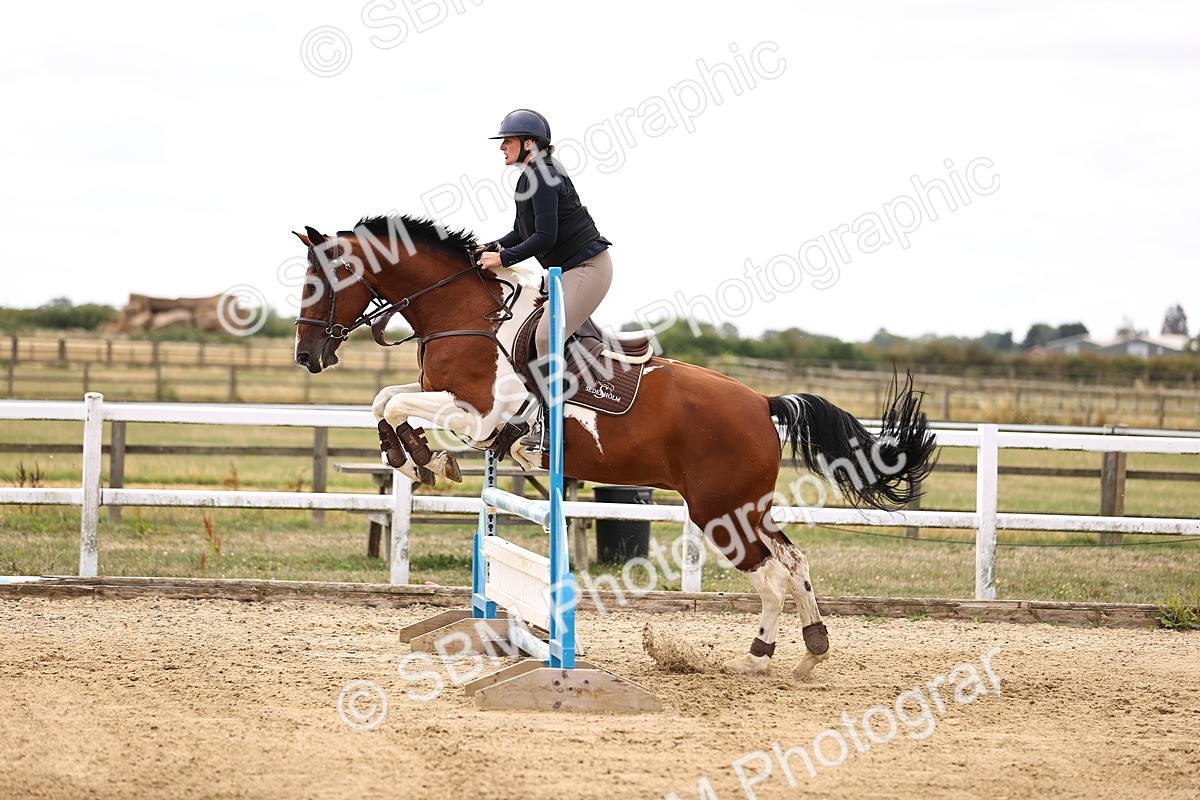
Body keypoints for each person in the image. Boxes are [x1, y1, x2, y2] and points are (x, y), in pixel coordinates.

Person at [477, 109, 612, 450]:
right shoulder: (530, 177)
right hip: (570, 271)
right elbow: (520, 232)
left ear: (528, 143)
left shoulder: (545, 175)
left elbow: (544, 237)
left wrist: (503, 259)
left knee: (545, 337)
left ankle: (553, 430)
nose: (501, 147)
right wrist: (489, 248)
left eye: (507, 141)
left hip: (588, 268)